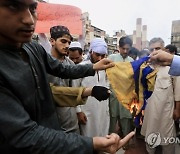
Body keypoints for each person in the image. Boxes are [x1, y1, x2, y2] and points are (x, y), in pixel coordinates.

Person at [0, 0, 135, 153]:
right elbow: (25, 135)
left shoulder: (33, 49)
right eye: (13, 6)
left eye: (32, 8)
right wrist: (92, 144)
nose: (29, 19)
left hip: (55, 132)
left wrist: (92, 68)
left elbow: (62, 71)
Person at [141, 37, 180, 154]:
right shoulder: (145, 68)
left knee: (167, 141)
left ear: (164, 50)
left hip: (166, 111)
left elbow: (178, 90)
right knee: (150, 139)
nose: (154, 52)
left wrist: (178, 109)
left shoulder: (172, 67)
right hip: (150, 112)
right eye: (151, 49)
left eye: (157, 48)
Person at [75, 38, 110, 137]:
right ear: (91, 52)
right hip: (87, 110)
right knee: (88, 138)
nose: (100, 58)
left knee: (102, 134)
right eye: (97, 54)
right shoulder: (81, 67)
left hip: (102, 110)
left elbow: (107, 85)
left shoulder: (106, 68)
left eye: (102, 55)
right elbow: (74, 90)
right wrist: (78, 112)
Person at [49, 25, 80, 134]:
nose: (67, 45)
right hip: (50, 118)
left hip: (69, 118)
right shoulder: (43, 62)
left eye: (69, 43)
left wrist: (78, 112)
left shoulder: (70, 64)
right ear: (52, 41)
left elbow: (74, 90)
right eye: (63, 41)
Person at [108, 37, 134, 146]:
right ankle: (109, 143)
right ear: (119, 47)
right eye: (123, 48)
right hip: (113, 95)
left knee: (125, 119)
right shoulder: (111, 58)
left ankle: (126, 142)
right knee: (112, 119)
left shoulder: (131, 61)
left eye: (128, 49)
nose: (125, 51)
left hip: (126, 97)